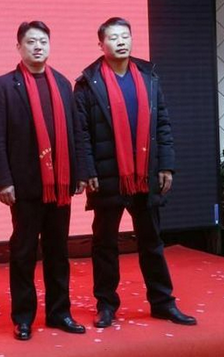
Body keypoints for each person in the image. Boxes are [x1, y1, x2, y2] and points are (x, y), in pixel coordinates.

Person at [74, 17, 197, 328]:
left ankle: (162, 302)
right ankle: (106, 305)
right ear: (100, 44)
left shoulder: (148, 76)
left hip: (145, 173)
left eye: (125, 36)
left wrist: (166, 165)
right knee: (105, 244)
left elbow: (163, 124)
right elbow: (81, 133)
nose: (121, 42)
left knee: (151, 241)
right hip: (107, 175)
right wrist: (87, 170)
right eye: (113, 37)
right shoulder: (88, 82)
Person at [0, 21, 86, 341]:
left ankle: (59, 313)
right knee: (24, 252)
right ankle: (23, 317)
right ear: (19, 47)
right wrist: (3, 181)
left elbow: (74, 132)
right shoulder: (4, 85)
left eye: (43, 41)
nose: (38, 47)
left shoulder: (63, 83)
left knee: (58, 252)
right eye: (31, 42)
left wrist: (79, 173)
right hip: (24, 185)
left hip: (60, 185)